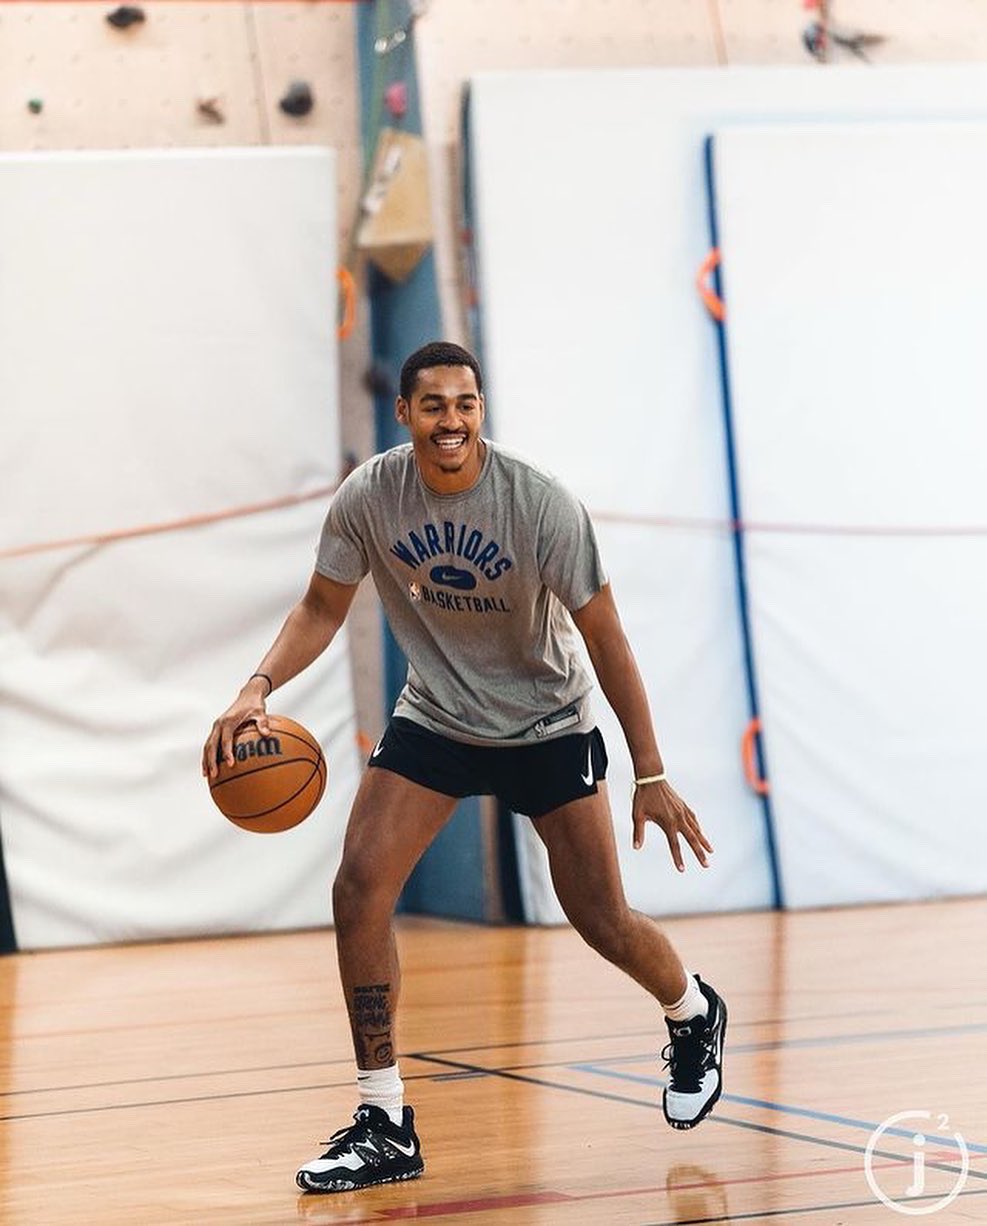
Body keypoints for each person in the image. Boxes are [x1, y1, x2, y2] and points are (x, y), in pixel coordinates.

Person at [202, 341, 727, 1194]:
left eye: (466, 404)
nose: (452, 421)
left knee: (599, 918)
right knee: (359, 885)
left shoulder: (539, 504)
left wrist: (652, 771)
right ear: (404, 413)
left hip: (547, 722)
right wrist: (253, 689)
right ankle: (384, 1119)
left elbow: (607, 639)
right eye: (435, 405)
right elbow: (320, 607)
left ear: (480, 411)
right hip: (438, 719)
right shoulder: (371, 497)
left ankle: (691, 1011)